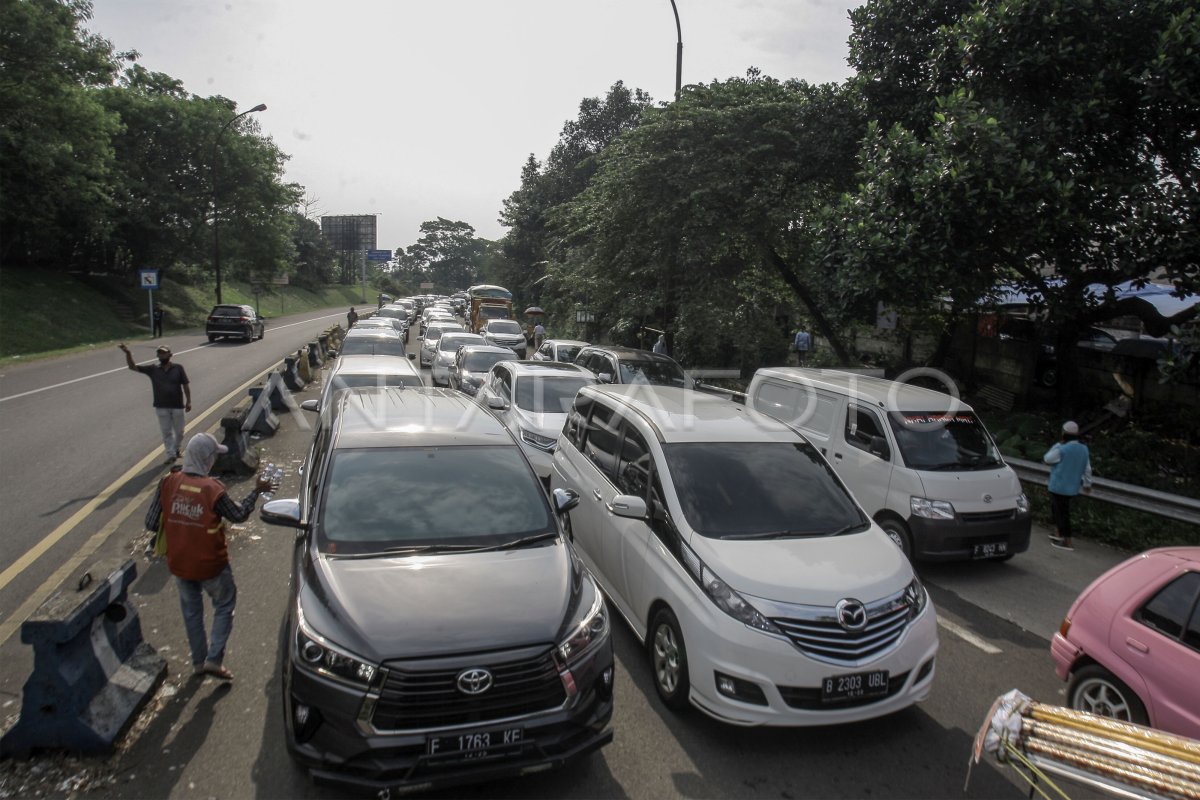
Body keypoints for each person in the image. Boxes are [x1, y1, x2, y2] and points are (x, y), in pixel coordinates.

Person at [144, 433, 273, 682]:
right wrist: (255, 492)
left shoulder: (167, 483)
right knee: (224, 605)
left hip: (180, 563)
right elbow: (238, 515)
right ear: (207, 459)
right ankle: (214, 659)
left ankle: (198, 662)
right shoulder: (212, 490)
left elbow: (151, 523)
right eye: (213, 456)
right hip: (211, 564)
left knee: (191, 613)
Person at [120, 343, 191, 462]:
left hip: (177, 405)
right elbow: (133, 367)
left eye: (164, 353)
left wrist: (188, 401)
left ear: (170, 355)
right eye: (160, 353)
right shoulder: (153, 369)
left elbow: (185, 385)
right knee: (166, 432)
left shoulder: (178, 368)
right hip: (161, 406)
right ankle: (171, 455)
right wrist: (128, 354)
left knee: (180, 432)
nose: (162, 355)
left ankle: (176, 448)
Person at [1043, 420, 1093, 551]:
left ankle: (1067, 540)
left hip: (1058, 486)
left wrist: (1057, 445)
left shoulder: (1062, 448)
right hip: (1072, 487)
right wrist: (1087, 484)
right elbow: (1087, 469)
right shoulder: (1084, 449)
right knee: (1060, 511)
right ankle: (1058, 533)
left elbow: (1047, 459)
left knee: (1061, 513)